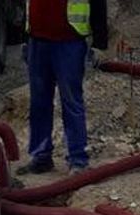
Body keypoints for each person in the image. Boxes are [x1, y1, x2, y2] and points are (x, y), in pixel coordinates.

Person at [19, 0, 109, 175]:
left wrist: (100, 43)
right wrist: (24, 38)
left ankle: (78, 160)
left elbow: (98, 3)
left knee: (71, 102)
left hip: (69, 41)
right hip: (38, 40)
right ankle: (41, 156)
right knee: (39, 103)